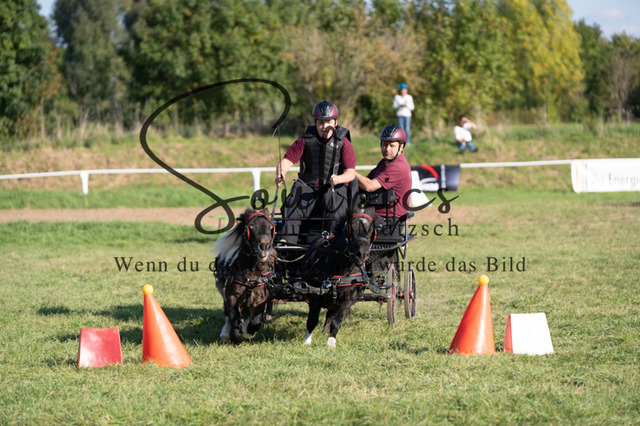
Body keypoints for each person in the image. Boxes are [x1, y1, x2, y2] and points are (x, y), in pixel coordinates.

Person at [275, 101, 356, 244]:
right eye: (321, 123)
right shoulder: (304, 140)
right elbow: (286, 161)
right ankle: (287, 244)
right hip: (308, 187)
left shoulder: (344, 143)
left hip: (333, 187)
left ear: (335, 122)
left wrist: (338, 179)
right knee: (292, 203)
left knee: (336, 206)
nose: (324, 126)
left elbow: (350, 173)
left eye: (328, 122)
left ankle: (333, 243)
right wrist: (281, 172)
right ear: (315, 123)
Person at [355, 124, 411, 219]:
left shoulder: (398, 167)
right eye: (385, 144)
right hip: (376, 216)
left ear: (401, 146)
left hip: (388, 220)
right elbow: (365, 182)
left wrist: (350, 172)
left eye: (392, 146)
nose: (387, 149)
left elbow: (369, 186)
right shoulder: (385, 162)